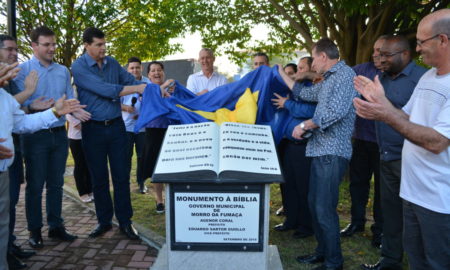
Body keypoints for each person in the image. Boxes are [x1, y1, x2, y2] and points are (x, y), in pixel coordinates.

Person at [354, 9, 449, 270]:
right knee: (417, 259)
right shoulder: (430, 76)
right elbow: (405, 116)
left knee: (437, 262)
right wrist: (380, 102)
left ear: (443, 40)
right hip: (413, 190)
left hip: (439, 199)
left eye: (421, 42)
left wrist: (385, 114)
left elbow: (438, 141)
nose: (417, 50)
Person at [279, 38, 357, 270]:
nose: (312, 64)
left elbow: (335, 113)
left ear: (323, 56)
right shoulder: (330, 79)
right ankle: (322, 252)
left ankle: (334, 262)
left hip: (332, 153)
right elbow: (306, 94)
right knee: (315, 204)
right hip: (319, 151)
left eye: (313, 58)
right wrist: (280, 73)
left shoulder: (345, 76)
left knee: (324, 208)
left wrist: (304, 126)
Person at [71, 27, 155, 240]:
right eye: (98, 45)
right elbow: (106, 90)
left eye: (104, 44)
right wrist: (137, 89)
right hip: (93, 129)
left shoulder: (113, 63)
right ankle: (104, 221)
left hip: (117, 127)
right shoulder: (78, 67)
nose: (103, 49)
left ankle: (126, 223)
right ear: (86, 45)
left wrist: (153, 87)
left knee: (121, 177)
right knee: (98, 178)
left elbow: (131, 80)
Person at [0, 61, 85, 270]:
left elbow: (23, 124)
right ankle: (34, 230)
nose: (7, 67)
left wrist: (55, 112)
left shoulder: (4, 98)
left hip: (2, 173)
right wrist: (29, 91)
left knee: (1, 230)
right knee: (35, 186)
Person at [14, 26, 90, 249]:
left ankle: (56, 226)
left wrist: (77, 110)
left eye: (53, 44)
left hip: (59, 134)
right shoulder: (22, 71)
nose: (52, 48)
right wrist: (32, 106)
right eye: (46, 44)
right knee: (36, 185)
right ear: (34, 46)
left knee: (56, 184)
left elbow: (68, 99)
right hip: (34, 136)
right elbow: (17, 106)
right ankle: (35, 231)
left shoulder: (63, 70)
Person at [358, 35, 427, 270]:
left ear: (405, 54)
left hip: (414, 160)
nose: (380, 58)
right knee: (390, 213)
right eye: (378, 54)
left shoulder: (422, 79)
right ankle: (390, 261)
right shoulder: (380, 79)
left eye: (386, 55)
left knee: (418, 217)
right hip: (385, 157)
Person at [1, 34, 52, 270]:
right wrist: (29, 92)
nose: (14, 54)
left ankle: (8, 249)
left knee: (7, 207)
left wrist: (54, 112)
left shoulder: (8, 83)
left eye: (15, 50)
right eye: (9, 49)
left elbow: (15, 115)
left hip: (9, 158)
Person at [340, 36, 387, 249]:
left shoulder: (392, 74)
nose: (377, 56)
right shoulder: (360, 69)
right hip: (360, 138)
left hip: (384, 142)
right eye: (375, 52)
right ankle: (356, 222)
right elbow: (340, 77)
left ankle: (380, 230)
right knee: (358, 184)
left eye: (381, 52)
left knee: (382, 190)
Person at [272, 60, 316, 239]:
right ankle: (291, 220)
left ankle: (306, 226)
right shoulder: (295, 87)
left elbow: (311, 112)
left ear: (312, 69)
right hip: (289, 144)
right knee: (289, 184)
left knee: (303, 187)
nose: (299, 71)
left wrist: (288, 104)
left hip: (304, 146)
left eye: (302, 68)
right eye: (298, 68)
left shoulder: (312, 88)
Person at [141, 61, 176, 214]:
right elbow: (152, 99)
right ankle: (159, 200)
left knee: (171, 167)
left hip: (171, 131)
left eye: (159, 70)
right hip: (153, 131)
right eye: (153, 71)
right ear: (148, 75)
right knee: (156, 168)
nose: (156, 73)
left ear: (163, 72)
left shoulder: (173, 89)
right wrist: (165, 85)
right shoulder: (146, 89)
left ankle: (172, 198)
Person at [122, 57, 150, 194]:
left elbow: (152, 103)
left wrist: (142, 114)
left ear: (141, 68)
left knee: (142, 157)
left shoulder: (147, 83)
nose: (135, 70)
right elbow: (115, 102)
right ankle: (124, 183)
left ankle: (141, 183)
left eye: (137, 67)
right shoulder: (122, 82)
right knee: (125, 157)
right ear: (128, 69)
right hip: (126, 127)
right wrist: (126, 108)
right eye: (132, 68)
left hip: (143, 126)